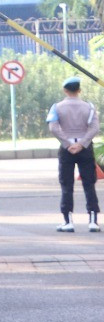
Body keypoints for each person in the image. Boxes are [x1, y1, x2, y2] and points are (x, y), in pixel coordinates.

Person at [48, 75, 100, 233]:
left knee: (66, 185)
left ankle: (67, 221)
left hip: (67, 149)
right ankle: (93, 221)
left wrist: (67, 143)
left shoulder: (56, 107)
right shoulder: (89, 107)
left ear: (65, 90)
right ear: (79, 90)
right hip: (84, 148)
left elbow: (53, 127)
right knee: (89, 184)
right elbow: (94, 128)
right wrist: (82, 143)